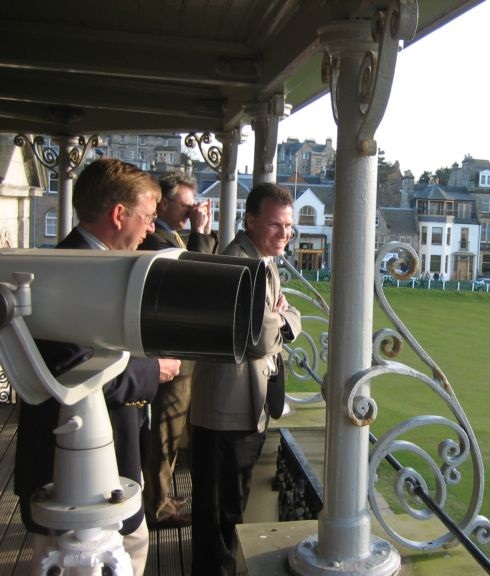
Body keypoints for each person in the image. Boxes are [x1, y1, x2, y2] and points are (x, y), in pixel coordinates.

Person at [14, 158, 181, 576]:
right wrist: (153, 369)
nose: (149, 229)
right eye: (146, 216)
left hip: (99, 454)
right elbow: (75, 370)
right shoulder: (74, 273)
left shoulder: (89, 263)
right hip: (71, 468)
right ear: (119, 213)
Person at [189, 183, 301, 576]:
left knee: (225, 510)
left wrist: (278, 316)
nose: (284, 234)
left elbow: (269, 323)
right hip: (227, 413)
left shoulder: (260, 260)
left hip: (240, 407)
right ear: (250, 221)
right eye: (275, 225)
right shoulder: (240, 263)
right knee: (220, 516)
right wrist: (286, 318)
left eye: (289, 226)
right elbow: (260, 337)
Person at [138, 171, 216, 529]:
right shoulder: (154, 239)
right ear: (164, 204)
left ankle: (163, 495)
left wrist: (198, 233)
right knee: (165, 431)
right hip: (167, 351)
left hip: (172, 348)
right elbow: (196, 277)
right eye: (186, 205)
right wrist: (200, 233)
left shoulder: (168, 235)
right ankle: (157, 506)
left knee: (171, 427)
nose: (191, 211)